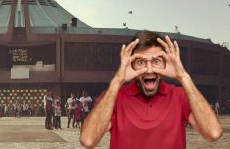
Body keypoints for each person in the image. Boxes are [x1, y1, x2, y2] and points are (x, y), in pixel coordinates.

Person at [80, 31, 223, 148]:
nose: (149, 70)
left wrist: (183, 76)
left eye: (156, 61)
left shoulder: (180, 96)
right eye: (141, 62)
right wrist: (117, 80)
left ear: (166, 64)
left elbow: (213, 133)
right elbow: (88, 140)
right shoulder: (114, 97)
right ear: (131, 65)